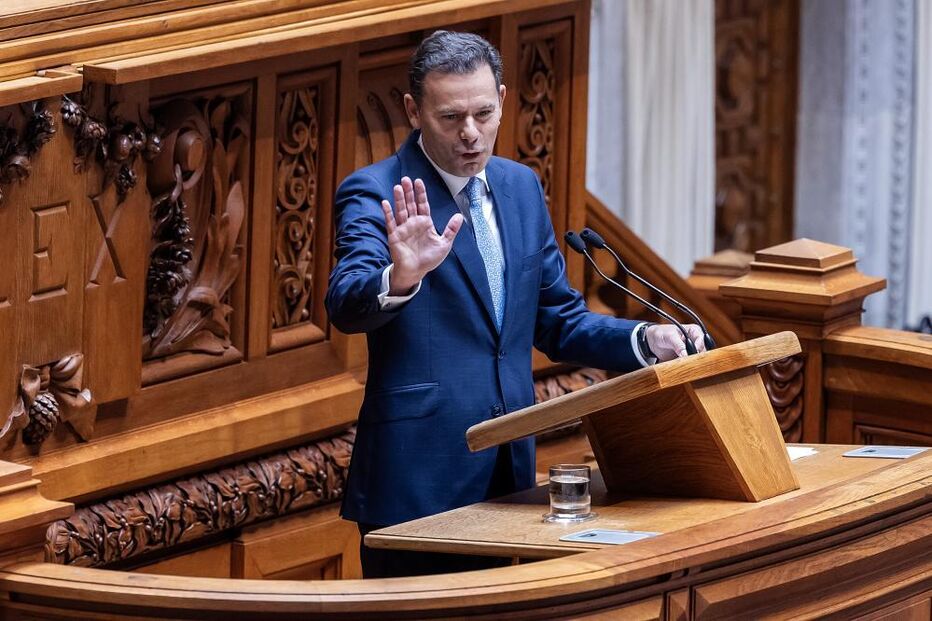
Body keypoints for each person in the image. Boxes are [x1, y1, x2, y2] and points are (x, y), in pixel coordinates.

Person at [325, 30, 704, 578]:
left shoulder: (520, 187)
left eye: (483, 112)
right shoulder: (378, 191)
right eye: (450, 117)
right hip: (416, 480)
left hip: (509, 470)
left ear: (504, 99)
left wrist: (644, 340)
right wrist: (399, 276)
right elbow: (346, 301)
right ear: (414, 110)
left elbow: (557, 320)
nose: (471, 134)